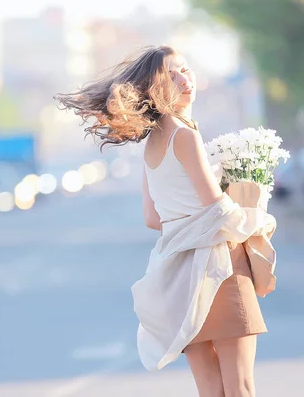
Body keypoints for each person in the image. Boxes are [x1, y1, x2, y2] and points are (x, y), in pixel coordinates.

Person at [55, 45, 276, 397]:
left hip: (178, 277)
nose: (183, 79)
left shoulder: (153, 144)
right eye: (170, 76)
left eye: (184, 69)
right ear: (154, 90)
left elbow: (152, 217)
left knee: (211, 389)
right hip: (218, 267)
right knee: (240, 387)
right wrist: (257, 217)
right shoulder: (185, 136)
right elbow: (217, 210)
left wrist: (189, 220)